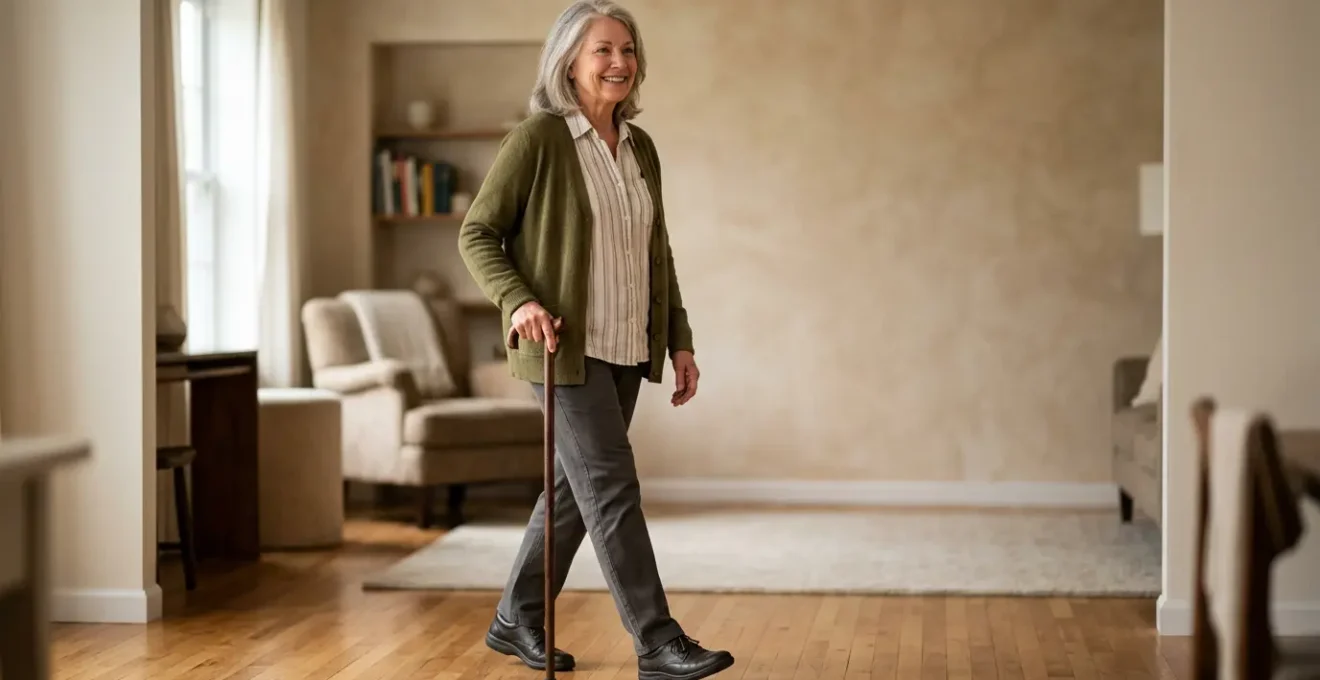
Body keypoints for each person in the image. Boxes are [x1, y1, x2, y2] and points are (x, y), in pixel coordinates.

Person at [457, 2, 734, 679]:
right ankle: (658, 641)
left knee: (571, 491)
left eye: (628, 50)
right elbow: (477, 233)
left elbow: (655, 254)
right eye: (602, 50)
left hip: (626, 347)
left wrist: (679, 342)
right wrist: (519, 300)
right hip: (562, 352)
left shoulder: (641, 149)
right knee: (611, 487)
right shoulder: (539, 139)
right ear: (569, 63)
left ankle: (515, 617)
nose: (618, 62)